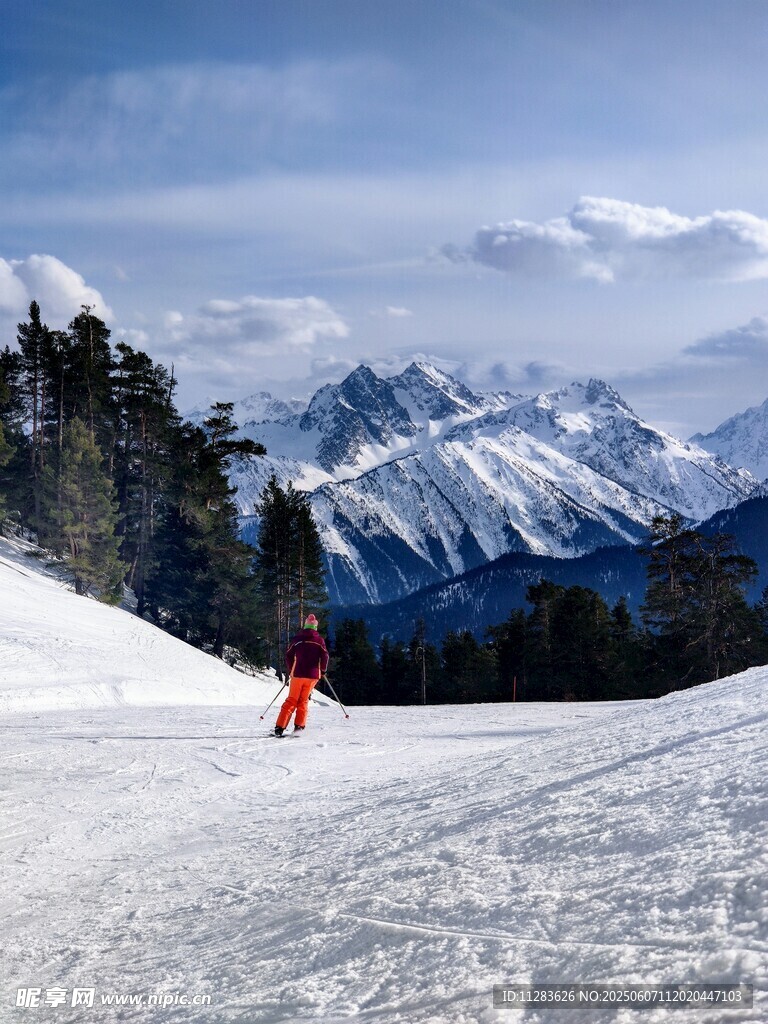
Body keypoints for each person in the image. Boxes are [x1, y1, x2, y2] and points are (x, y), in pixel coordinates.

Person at [274, 614, 329, 736]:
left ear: (305, 626)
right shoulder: (319, 641)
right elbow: (325, 656)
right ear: (315, 628)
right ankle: (299, 727)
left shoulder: (297, 639)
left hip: (297, 674)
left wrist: (291, 668)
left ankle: (280, 727)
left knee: (292, 700)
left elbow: (288, 655)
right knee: (303, 701)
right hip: (313, 676)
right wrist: (323, 670)